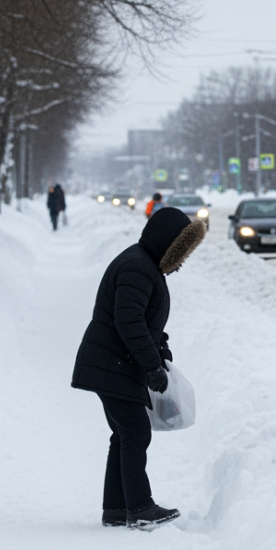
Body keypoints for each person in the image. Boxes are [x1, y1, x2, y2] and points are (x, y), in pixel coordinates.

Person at [71, 207, 206, 530]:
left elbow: (143, 320)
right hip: (112, 362)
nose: (183, 260)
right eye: (181, 251)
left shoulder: (144, 265)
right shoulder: (137, 268)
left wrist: (160, 352)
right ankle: (140, 508)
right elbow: (129, 322)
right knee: (134, 432)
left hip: (114, 361)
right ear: (167, 244)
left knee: (124, 434)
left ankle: (116, 509)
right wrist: (151, 366)